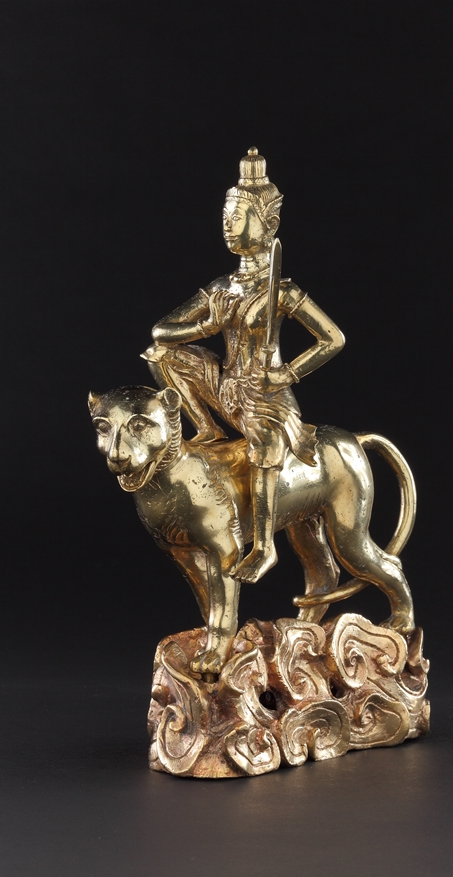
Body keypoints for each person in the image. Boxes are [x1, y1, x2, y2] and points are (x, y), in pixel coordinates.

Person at [142, 147, 345, 583]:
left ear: (268, 223)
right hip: (226, 386)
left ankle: (265, 547)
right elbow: (161, 331)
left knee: (265, 444)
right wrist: (206, 326)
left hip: (265, 396)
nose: (227, 224)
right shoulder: (221, 288)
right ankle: (206, 428)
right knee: (160, 354)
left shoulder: (282, 291)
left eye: (238, 216)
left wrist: (286, 373)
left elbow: (333, 338)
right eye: (225, 215)